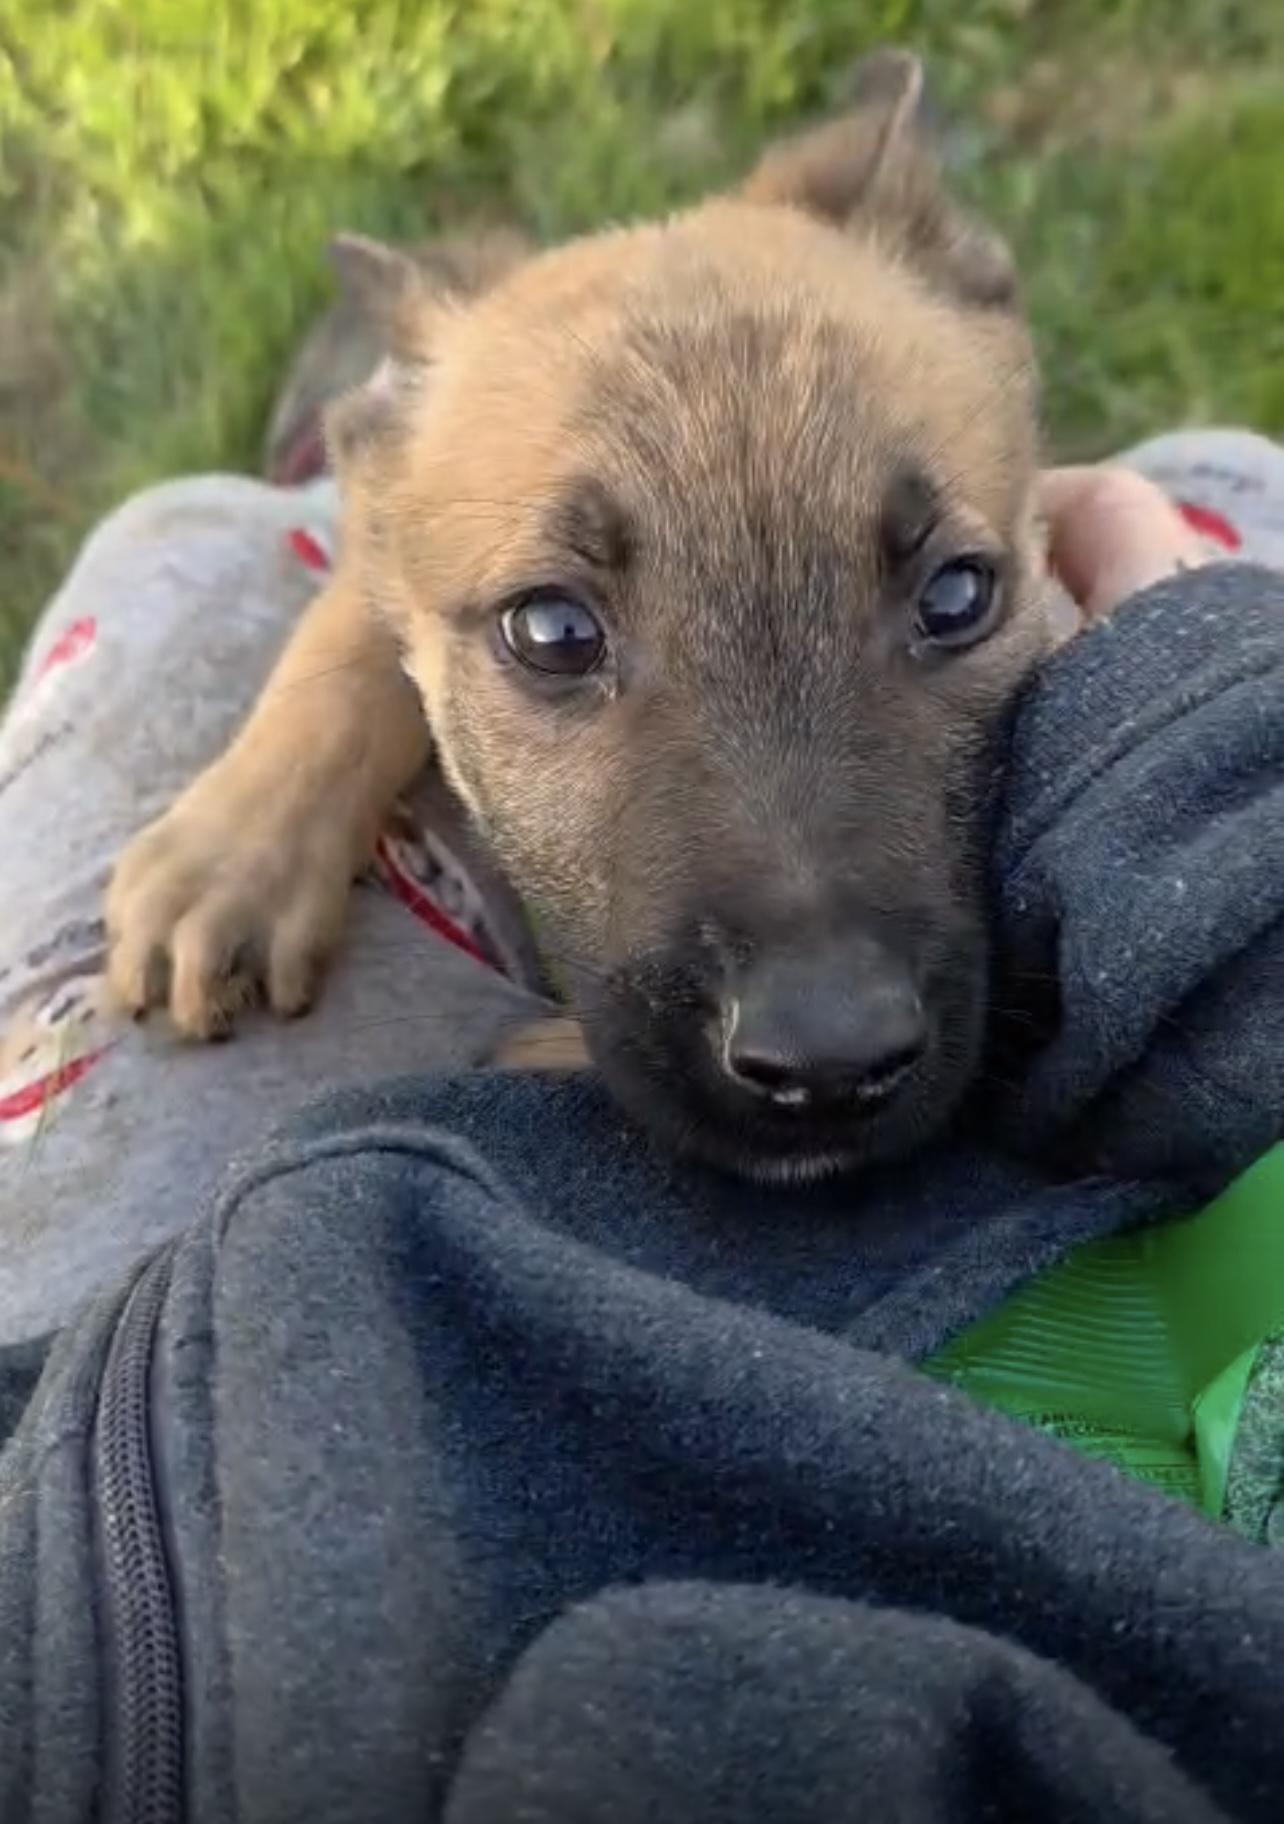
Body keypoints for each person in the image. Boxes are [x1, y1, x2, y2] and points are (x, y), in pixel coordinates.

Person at [1, 298, 1283, 1819]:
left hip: (202, 1484)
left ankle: (354, 479)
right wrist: (1211, 799)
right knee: (1224, 481)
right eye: (563, 631)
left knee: (186, 552)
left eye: (945, 599)